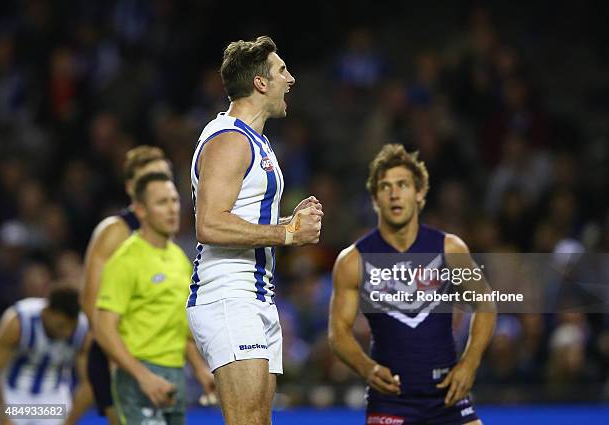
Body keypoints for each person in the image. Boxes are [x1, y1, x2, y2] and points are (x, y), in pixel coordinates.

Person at [186, 35, 322, 425]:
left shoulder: (254, 140)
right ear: (260, 83)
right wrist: (287, 235)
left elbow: (239, 218)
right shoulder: (230, 139)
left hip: (256, 294)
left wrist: (285, 224)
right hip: (228, 295)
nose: (291, 79)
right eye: (282, 71)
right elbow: (209, 224)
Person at [329, 144, 496, 425]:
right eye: (385, 187)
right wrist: (366, 368)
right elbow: (338, 334)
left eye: (403, 185)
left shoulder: (450, 249)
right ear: (374, 199)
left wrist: (470, 363)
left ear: (419, 194)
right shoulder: (353, 261)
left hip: (448, 398)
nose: (394, 194)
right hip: (390, 401)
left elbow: (485, 304)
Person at [81, 146, 214, 423]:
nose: (159, 184)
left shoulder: (173, 253)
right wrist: (125, 369)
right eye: (151, 177)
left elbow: (172, 319)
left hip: (167, 366)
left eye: (164, 176)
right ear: (133, 189)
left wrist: (199, 368)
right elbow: (96, 310)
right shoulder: (116, 235)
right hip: (121, 358)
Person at [0, 285, 93, 425]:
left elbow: (88, 383)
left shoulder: (82, 331)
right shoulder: (19, 322)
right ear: (47, 312)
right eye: (61, 326)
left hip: (51, 400)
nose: (66, 333)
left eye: (70, 328)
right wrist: (4, 418)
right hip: (13, 397)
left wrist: (70, 421)